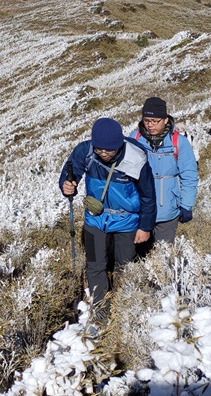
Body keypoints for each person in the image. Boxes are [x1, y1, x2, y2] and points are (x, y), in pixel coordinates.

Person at [59, 117, 156, 309]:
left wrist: (145, 227)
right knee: (95, 265)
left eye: (109, 150)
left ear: (119, 144)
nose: (103, 154)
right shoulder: (85, 151)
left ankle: (125, 307)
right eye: (99, 149)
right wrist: (67, 186)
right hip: (95, 220)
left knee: (125, 266)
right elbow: (71, 172)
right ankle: (100, 310)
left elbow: (148, 196)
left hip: (127, 221)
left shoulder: (136, 158)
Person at [130, 96, 198, 250]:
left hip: (167, 211)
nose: (150, 125)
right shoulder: (134, 139)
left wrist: (186, 205)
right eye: (147, 120)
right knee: (138, 256)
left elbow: (189, 175)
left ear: (166, 120)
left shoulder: (179, 142)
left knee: (163, 253)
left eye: (155, 121)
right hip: (139, 209)